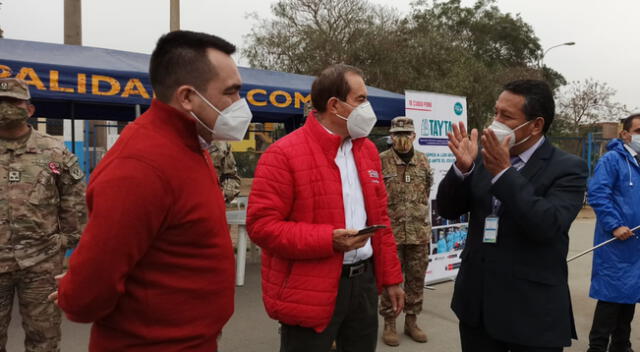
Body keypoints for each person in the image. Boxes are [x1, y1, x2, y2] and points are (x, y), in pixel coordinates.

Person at [49, 30, 252, 351]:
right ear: (187, 97)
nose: (240, 104)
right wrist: (74, 290)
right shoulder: (141, 165)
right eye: (231, 92)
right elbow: (91, 289)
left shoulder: (191, 147)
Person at [246, 64, 404, 352]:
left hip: (364, 284)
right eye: (361, 99)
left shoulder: (367, 150)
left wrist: (391, 278)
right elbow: (261, 227)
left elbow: (381, 218)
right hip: (310, 287)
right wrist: (328, 240)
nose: (368, 107)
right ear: (335, 105)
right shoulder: (282, 155)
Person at [436, 79, 588, 352]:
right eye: (495, 112)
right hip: (477, 306)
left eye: (506, 116)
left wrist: (504, 173)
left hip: (531, 313)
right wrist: (463, 170)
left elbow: (547, 225)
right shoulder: (482, 157)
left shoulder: (568, 168)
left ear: (536, 125)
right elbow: (447, 210)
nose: (496, 121)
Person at [0, 78, 86, 352]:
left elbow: (74, 196)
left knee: (44, 341)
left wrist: (68, 240)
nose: (5, 108)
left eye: (13, 102)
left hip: (41, 263)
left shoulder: (53, 151)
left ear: (30, 109)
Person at [586, 113, 640, 352]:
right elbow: (598, 194)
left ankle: (621, 345)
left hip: (635, 243)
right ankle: (597, 347)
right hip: (615, 241)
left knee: (629, 298)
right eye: (639, 131)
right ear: (625, 134)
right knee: (610, 297)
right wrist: (615, 224)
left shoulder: (638, 162)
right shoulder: (612, 160)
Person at [378, 116, 433, 346]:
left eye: (406, 133)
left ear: (414, 136)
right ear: (390, 137)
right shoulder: (380, 161)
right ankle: (390, 323)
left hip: (418, 232)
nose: (401, 138)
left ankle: (411, 320)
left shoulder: (423, 160)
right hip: (392, 233)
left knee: (416, 278)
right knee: (390, 280)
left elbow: (427, 190)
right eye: (396, 134)